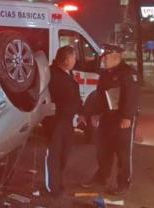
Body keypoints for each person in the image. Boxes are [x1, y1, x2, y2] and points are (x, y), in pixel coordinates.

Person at [82, 44, 139, 196]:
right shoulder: (106, 73)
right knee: (103, 150)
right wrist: (94, 113)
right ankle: (101, 177)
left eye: (106, 57)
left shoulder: (128, 73)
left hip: (122, 118)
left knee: (123, 153)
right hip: (107, 117)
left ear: (115, 57)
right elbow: (100, 95)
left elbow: (132, 97)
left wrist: (127, 117)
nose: (103, 60)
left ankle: (123, 183)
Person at [43, 45, 82, 199]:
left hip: (66, 121)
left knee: (64, 153)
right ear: (66, 59)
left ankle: (58, 182)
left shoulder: (66, 73)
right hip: (56, 121)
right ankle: (53, 187)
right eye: (73, 57)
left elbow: (74, 98)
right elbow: (62, 99)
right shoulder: (53, 75)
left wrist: (81, 112)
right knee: (54, 154)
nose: (75, 60)